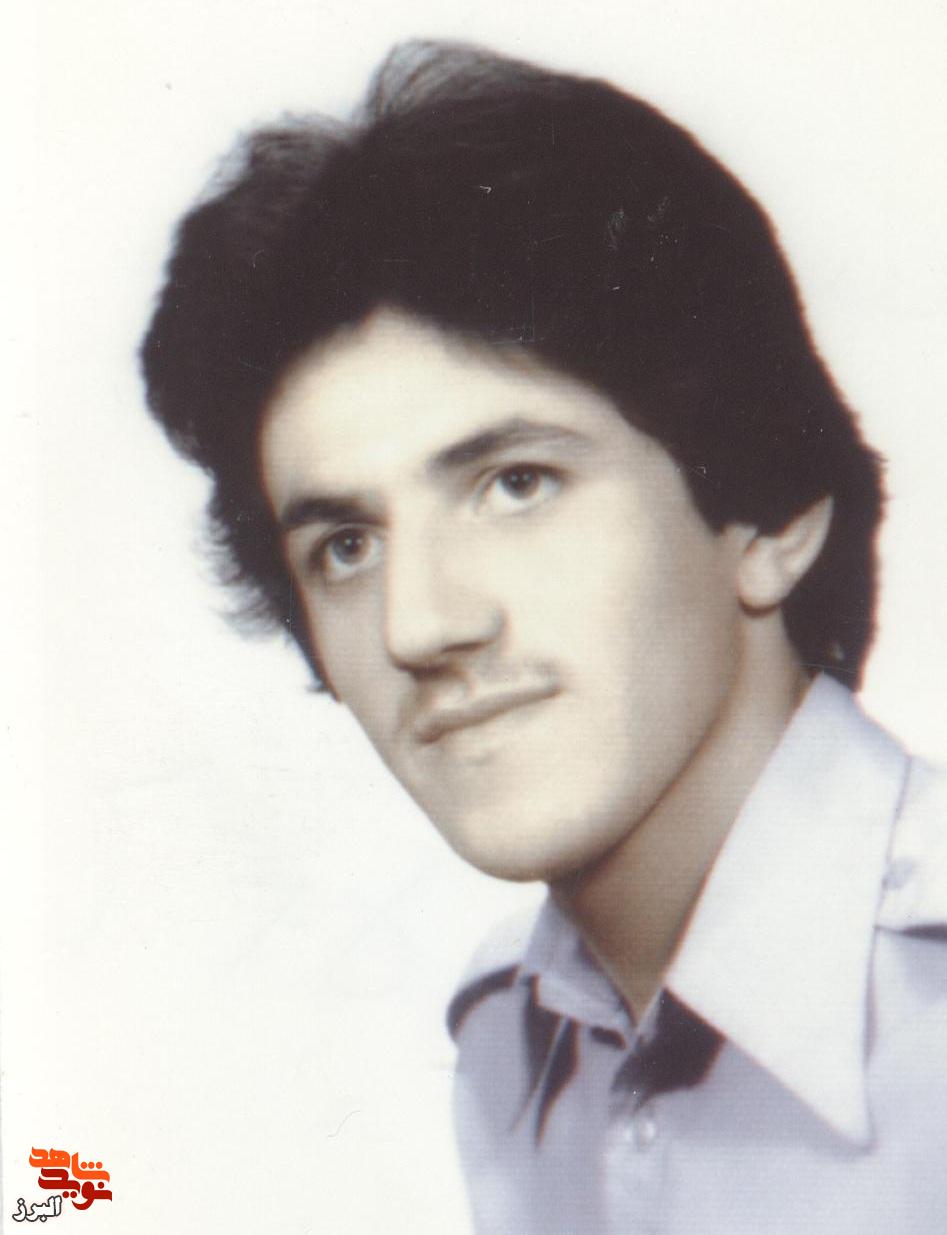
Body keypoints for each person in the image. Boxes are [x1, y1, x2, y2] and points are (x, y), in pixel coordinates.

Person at [140, 40, 947, 1233]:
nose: (418, 624)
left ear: (770, 512)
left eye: (515, 483)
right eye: (345, 546)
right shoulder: (507, 1051)